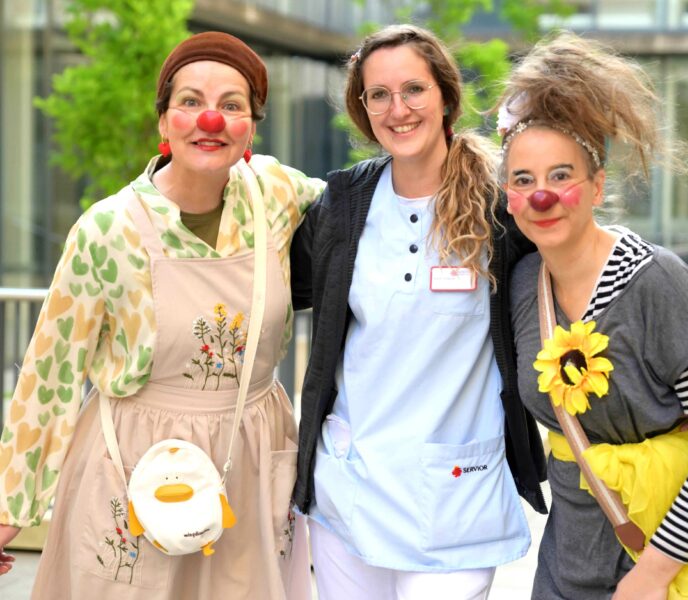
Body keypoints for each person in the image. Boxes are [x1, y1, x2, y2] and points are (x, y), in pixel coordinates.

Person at [0, 31, 324, 599]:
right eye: (191, 101)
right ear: (164, 120)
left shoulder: (276, 194)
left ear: (251, 128)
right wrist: (9, 511)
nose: (210, 120)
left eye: (231, 105)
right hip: (132, 463)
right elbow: (50, 375)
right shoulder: (107, 230)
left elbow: (371, 209)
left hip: (249, 461)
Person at [289, 24, 547, 600]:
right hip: (349, 491)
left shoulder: (499, 205)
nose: (398, 109)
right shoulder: (343, 203)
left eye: (413, 89)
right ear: (363, 108)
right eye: (378, 95)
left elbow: (570, 263)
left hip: (455, 500)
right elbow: (276, 286)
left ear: (446, 96)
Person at [499, 31, 688, 600]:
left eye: (561, 176)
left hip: (676, 571)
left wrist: (652, 574)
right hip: (569, 570)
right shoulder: (522, 283)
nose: (542, 196)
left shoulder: (658, 282)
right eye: (523, 180)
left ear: (597, 187)